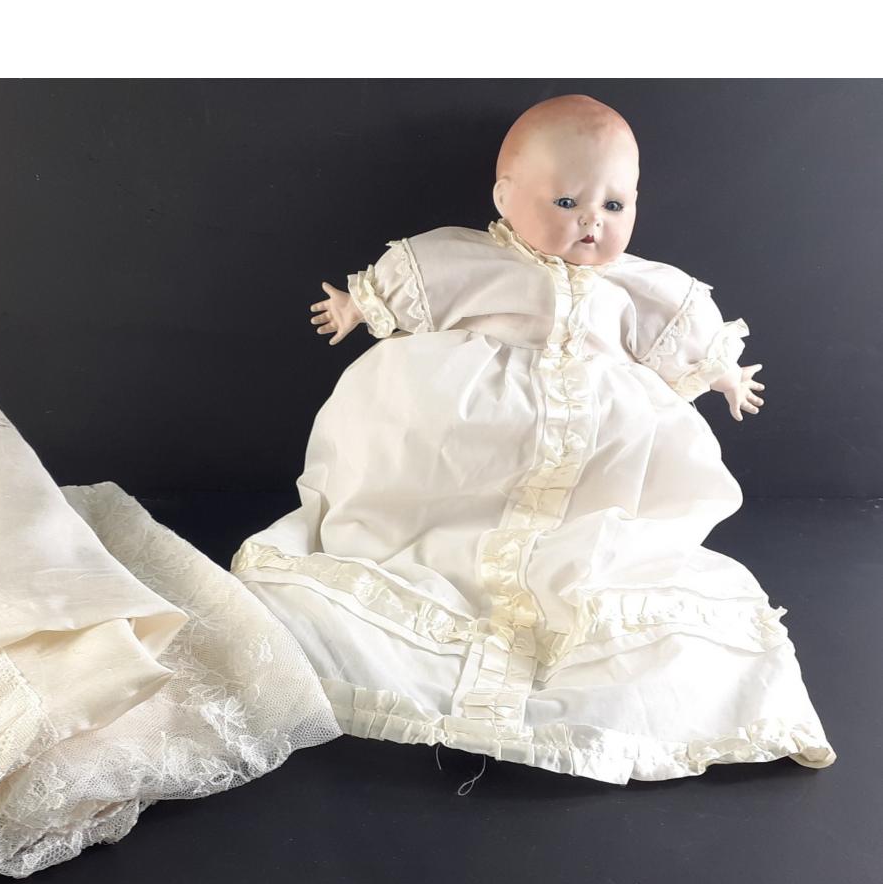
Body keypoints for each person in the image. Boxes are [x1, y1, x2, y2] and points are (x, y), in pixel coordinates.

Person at [230, 94, 836, 784]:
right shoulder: (472, 258)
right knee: (424, 466)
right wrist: (356, 308)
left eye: (614, 205)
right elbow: (409, 286)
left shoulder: (635, 286)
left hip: (597, 448)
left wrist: (725, 376)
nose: (591, 223)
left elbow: (683, 336)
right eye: (568, 202)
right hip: (477, 427)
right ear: (505, 196)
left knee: (605, 529)